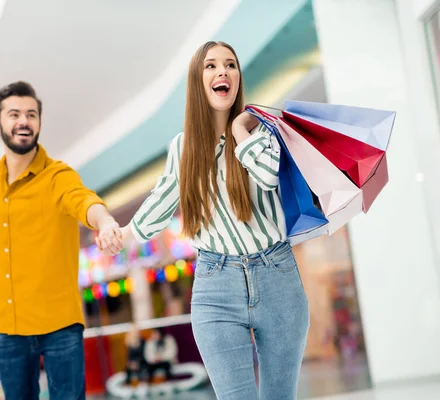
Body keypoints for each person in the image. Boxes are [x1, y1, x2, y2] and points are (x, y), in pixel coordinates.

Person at [113, 42, 310, 399]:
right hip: (215, 286)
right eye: (211, 66)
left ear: (237, 78)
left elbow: (268, 177)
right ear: (197, 81)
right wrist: (122, 233)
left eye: (230, 65)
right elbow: (160, 201)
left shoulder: (264, 133)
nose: (223, 71)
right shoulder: (183, 147)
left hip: (278, 276)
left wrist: (239, 131)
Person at [0, 81, 123, 400]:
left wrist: (105, 221)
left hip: (60, 326)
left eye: (31, 114)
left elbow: (83, 201)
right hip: (8, 329)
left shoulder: (58, 176)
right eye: (14, 114)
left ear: (38, 122)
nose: (24, 121)